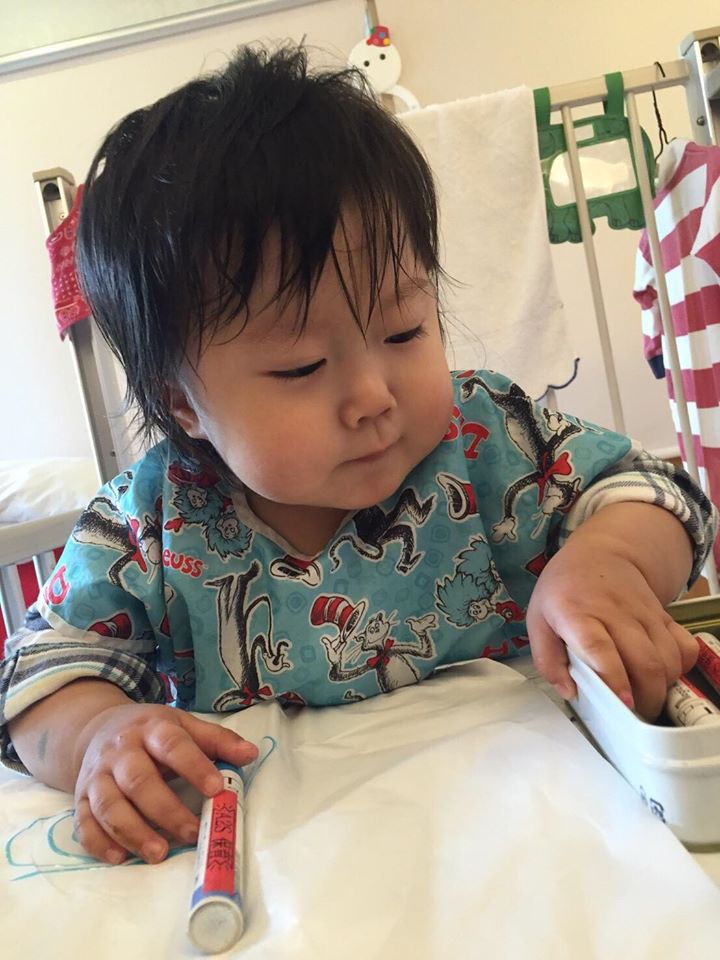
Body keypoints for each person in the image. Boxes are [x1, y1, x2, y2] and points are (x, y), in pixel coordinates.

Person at [1, 45, 716, 868]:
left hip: (536, 830)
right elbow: (39, 675)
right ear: (183, 402)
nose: (373, 394)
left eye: (405, 331)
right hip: (290, 866)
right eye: (302, 368)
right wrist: (99, 733)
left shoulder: (488, 438)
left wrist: (609, 559)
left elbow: (655, 492)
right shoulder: (148, 523)